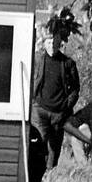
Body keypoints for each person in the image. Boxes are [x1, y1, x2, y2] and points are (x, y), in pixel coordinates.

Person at [30, 23, 80, 171]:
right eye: (49, 42)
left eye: (55, 42)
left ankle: (50, 172)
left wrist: (66, 106)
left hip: (59, 113)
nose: (52, 45)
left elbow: (75, 89)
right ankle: (38, 173)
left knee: (55, 146)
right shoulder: (37, 60)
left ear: (60, 43)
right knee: (40, 142)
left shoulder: (68, 63)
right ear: (44, 43)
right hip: (40, 110)